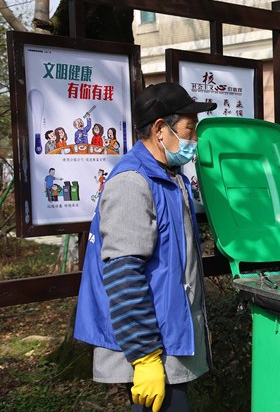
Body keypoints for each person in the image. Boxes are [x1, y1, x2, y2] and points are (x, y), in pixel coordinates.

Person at [74, 82, 216, 411]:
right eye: (188, 130)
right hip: (153, 352)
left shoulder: (168, 176)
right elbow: (124, 276)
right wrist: (145, 356)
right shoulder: (132, 183)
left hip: (168, 341)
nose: (193, 141)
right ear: (159, 129)